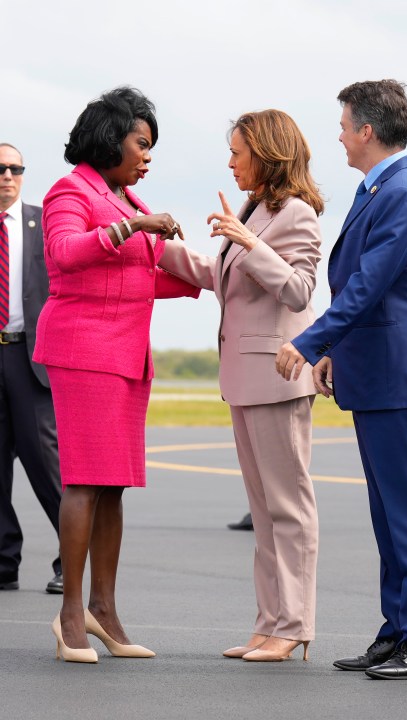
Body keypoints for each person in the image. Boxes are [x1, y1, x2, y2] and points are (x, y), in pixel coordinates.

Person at [276, 80, 407, 679]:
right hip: (378, 373)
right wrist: (339, 354)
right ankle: (397, 628)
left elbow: (368, 286)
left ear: (367, 132)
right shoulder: (383, 187)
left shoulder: (402, 192)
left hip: (399, 378)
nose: (339, 135)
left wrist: (309, 343)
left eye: (344, 124)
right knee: (388, 514)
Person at [33, 87, 200, 663]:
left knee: (112, 485)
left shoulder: (125, 196)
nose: (148, 154)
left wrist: (215, 274)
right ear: (111, 138)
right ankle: (70, 615)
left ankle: (104, 609)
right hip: (84, 350)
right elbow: (65, 252)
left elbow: (137, 278)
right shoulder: (70, 190)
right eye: (141, 142)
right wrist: (134, 229)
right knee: (82, 480)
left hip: (127, 354)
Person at [159, 109, 323, 662]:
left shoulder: (295, 214)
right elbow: (221, 276)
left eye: (237, 152)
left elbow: (299, 292)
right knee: (262, 508)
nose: (230, 163)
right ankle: (270, 619)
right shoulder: (253, 210)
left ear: (267, 154)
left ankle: (295, 624)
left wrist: (250, 242)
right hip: (244, 379)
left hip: (277, 380)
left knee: (288, 508)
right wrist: (164, 247)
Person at [0, 143, 63, 595]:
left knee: (45, 460)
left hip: (29, 357)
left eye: (15, 168)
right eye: (0, 168)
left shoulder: (43, 223)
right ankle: (4, 562)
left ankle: (73, 559)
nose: (7, 175)